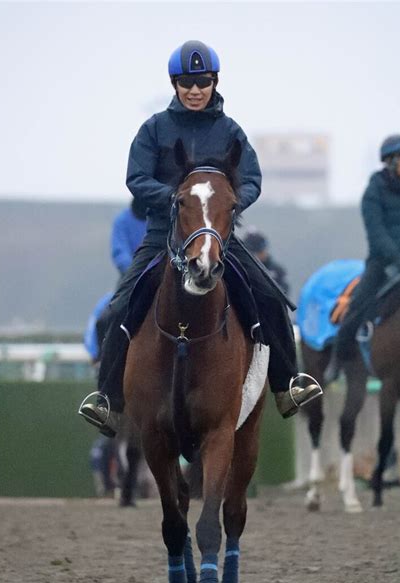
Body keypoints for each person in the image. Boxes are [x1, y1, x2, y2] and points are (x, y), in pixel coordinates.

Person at [79, 40, 322, 436]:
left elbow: (253, 180)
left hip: (218, 236)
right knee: (116, 308)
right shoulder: (153, 129)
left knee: (271, 297)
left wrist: (226, 204)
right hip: (163, 236)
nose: (195, 90)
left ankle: (287, 384)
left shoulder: (230, 131)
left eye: (203, 82)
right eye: (187, 83)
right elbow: (136, 179)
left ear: (214, 82)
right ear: (175, 84)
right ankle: (107, 400)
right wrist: (174, 199)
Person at [324, 134, 400, 382]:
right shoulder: (373, 192)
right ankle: (338, 359)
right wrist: (399, 259)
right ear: (392, 161)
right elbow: (377, 235)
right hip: (382, 265)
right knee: (357, 306)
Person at [243, 230, 290, 295]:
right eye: (258, 252)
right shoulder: (243, 269)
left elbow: (285, 289)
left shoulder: (277, 270)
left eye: (262, 250)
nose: (263, 253)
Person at [110, 198, 147, 280]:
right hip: (130, 276)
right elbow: (120, 252)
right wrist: (135, 272)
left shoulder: (161, 219)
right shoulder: (122, 220)